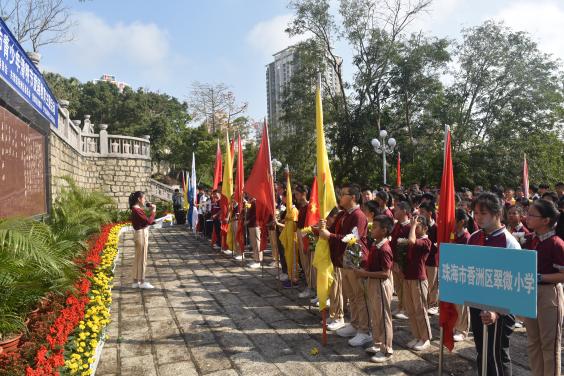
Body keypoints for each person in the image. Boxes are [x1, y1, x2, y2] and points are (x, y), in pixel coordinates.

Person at [467, 192, 521, 375]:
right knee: (481, 351)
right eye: (475, 213)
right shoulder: (473, 237)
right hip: (476, 304)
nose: (478, 217)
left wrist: (497, 312)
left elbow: (516, 284)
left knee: (497, 355)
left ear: (497, 214)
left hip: (500, 311)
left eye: (483, 213)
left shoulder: (509, 242)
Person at [319, 184, 371, 347]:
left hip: (355, 261)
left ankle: (365, 330)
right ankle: (355, 324)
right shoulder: (343, 214)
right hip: (344, 261)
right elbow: (332, 231)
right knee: (351, 295)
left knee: (359, 296)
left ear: (353, 197)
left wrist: (330, 235)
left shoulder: (359, 216)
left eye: (343, 194)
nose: (340, 197)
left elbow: (351, 238)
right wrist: (322, 228)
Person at [523, 199, 564, 376]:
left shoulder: (556, 243)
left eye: (532, 215)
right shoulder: (531, 240)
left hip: (549, 294)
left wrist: (540, 277)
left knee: (549, 345)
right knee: (533, 342)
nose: (527, 217)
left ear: (546, 220)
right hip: (530, 292)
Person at [354, 215, 394, 363]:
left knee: (383, 318)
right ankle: (378, 343)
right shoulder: (375, 245)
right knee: (376, 316)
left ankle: (386, 349)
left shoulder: (384, 248)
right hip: (373, 283)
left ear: (384, 230)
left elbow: (386, 273)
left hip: (380, 285)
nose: (372, 229)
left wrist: (365, 273)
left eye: (375, 227)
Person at [403, 215, 433, 351]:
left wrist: (412, 226)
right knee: (410, 309)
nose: (414, 228)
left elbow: (411, 241)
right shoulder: (415, 238)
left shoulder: (426, 242)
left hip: (419, 279)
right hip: (408, 277)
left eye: (418, 226)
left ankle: (425, 338)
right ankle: (417, 335)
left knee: (420, 310)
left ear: (425, 228)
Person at [129, 191, 156, 289]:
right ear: (139, 199)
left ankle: (135, 281)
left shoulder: (136, 209)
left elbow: (144, 221)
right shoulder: (137, 210)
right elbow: (148, 221)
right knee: (142, 258)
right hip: (141, 235)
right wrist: (153, 211)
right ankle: (142, 281)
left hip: (138, 233)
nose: (145, 200)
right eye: (144, 198)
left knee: (138, 258)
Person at [390, 201, 411, 320]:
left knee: (405, 286)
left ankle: (406, 309)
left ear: (404, 211)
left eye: (397, 209)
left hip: (404, 262)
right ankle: (400, 305)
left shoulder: (410, 226)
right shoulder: (397, 224)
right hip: (395, 260)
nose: (394, 212)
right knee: (398, 286)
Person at [453, 208, 471, 342]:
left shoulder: (467, 237)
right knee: (456, 303)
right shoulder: (455, 235)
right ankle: (456, 325)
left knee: (463, 304)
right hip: (454, 271)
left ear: (462, 222)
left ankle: (463, 329)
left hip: (463, 273)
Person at [419, 201, 439, 315]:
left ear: (430, 213)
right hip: (423, 259)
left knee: (432, 283)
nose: (420, 214)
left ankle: (433, 304)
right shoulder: (421, 225)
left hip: (432, 259)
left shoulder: (436, 227)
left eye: (423, 212)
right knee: (425, 282)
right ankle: (426, 303)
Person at [296, 184, 315, 298]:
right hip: (300, 234)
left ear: (304, 194)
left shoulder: (309, 207)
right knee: (304, 263)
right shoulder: (301, 207)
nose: (295, 196)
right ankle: (309, 285)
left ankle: (312, 287)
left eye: (298, 193)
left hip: (306, 235)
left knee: (309, 264)